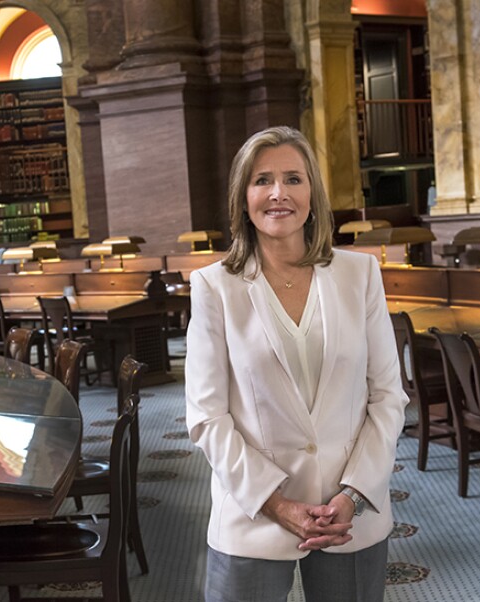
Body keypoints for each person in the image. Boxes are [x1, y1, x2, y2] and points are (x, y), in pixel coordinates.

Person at [185, 126, 408, 602]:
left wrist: (353, 495)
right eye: (262, 180)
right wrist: (276, 504)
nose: (278, 193)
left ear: (313, 194)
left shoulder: (360, 274)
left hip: (348, 515)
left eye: (293, 178)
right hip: (253, 515)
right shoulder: (213, 287)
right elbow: (207, 417)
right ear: (243, 197)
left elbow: (388, 396)